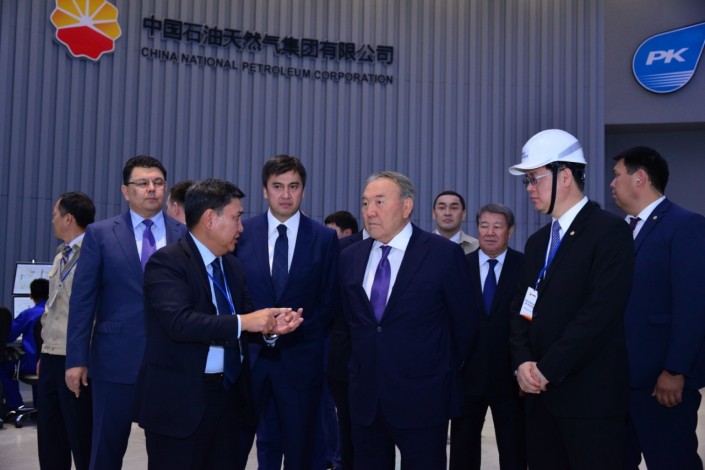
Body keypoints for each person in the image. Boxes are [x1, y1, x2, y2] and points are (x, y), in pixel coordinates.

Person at [133, 178, 303, 469]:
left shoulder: (233, 266)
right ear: (210, 219)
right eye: (236, 218)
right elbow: (180, 322)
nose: (241, 227)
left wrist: (270, 328)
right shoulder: (167, 262)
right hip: (181, 406)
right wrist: (245, 322)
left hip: (230, 402)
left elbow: (243, 322)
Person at [507, 129, 634, 469]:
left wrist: (547, 369)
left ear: (565, 176)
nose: (529, 188)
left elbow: (599, 314)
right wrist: (523, 362)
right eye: (527, 181)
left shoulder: (610, 232)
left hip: (589, 402)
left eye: (534, 178)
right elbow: (521, 309)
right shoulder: (537, 242)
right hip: (539, 400)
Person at [338, 171, 477, 469]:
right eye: (365, 203)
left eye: (379, 202)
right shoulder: (349, 257)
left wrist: (435, 369)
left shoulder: (443, 254)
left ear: (406, 206)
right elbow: (348, 323)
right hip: (366, 399)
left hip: (423, 398)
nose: (369, 211)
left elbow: (464, 325)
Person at [65, 155, 187, 470]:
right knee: (105, 452)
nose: (151, 189)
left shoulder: (184, 234)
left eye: (158, 183)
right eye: (142, 183)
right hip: (114, 361)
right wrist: (76, 359)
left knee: (170, 455)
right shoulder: (101, 234)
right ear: (125, 190)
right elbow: (82, 300)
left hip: (171, 363)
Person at [236, 155, 339, 469]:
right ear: (264, 190)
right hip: (250, 360)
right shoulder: (242, 233)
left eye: (293, 186)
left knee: (302, 448)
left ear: (303, 191)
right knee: (248, 444)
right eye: (277, 186)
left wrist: (297, 327)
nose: (285, 194)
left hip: (301, 361)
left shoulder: (323, 238)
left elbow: (328, 301)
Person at [610, 146, 705, 469]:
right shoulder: (620, 231)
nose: (612, 183)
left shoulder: (684, 225)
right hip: (619, 383)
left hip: (662, 385)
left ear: (640, 178)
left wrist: (675, 370)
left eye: (617, 175)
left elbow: (693, 305)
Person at [450, 203, 526, 470]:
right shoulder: (460, 265)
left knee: (514, 450)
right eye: (484, 226)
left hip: (511, 377)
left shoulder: (525, 266)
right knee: (462, 450)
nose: (490, 232)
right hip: (467, 375)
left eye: (497, 226)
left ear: (510, 230)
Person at [37, 192, 95, 470]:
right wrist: (44, 351)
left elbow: (92, 313)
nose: (53, 221)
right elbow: (52, 308)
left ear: (68, 218)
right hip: (51, 357)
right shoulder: (61, 256)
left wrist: (80, 358)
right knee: (50, 439)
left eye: (55, 215)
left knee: (82, 439)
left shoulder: (94, 255)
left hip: (75, 359)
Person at [1, 278, 49, 417]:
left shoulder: (28, 314)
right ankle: (39, 407)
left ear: (31, 296)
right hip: (51, 363)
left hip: (31, 365)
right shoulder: (56, 314)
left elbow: (9, 336)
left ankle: (15, 405)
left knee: (4, 368)